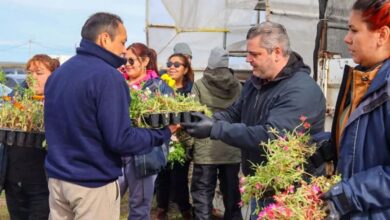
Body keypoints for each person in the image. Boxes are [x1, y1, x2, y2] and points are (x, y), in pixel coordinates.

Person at [181, 21, 326, 219]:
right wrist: (204, 120)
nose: (248, 59)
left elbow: (271, 137)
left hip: (289, 194)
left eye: (254, 54)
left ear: (276, 52)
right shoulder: (256, 83)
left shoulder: (300, 90)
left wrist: (215, 128)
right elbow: (234, 112)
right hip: (261, 187)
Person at [44, 12, 173, 220]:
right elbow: (121, 140)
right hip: (92, 185)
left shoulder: (59, 74)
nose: (124, 49)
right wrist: (162, 133)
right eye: (122, 42)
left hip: (58, 180)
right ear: (105, 38)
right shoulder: (108, 76)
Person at [320, 0, 390, 219]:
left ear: (382, 35)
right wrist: (320, 150)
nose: (346, 38)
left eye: (353, 30)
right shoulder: (363, 78)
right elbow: (361, 141)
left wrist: (348, 195)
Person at [118, 42, 173, 220]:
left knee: (139, 208)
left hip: (144, 155)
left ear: (145, 61)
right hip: (116, 152)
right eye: (124, 60)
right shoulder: (116, 82)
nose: (127, 64)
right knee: (106, 202)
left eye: (131, 60)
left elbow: (172, 119)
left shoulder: (159, 87)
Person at [4, 54, 59, 220]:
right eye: (29, 73)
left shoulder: (58, 102)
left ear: (53, 75)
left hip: (43, 183)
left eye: (39, 73)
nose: (32, 78)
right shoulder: (15, 102)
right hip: (13, 182)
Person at [190, 47, 243, 220]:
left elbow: (193, 115)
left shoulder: (199, 84)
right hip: (231, 145)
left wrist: (190, 146)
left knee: (202, 195)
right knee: (232, 195)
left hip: (205, 148)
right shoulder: (238, 86)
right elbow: (242, 114)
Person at [155, 53, 194, 220]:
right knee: (162, 175)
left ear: (185, 69)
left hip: (182, 139)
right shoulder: (160, 86)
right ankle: (161, 207)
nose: (172, 67)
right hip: (162, 137)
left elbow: (194, 114)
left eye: (177, 64)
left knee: (180, 177)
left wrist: (179, 126)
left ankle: (184, 207)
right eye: (170, 63)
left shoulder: (191, 90)